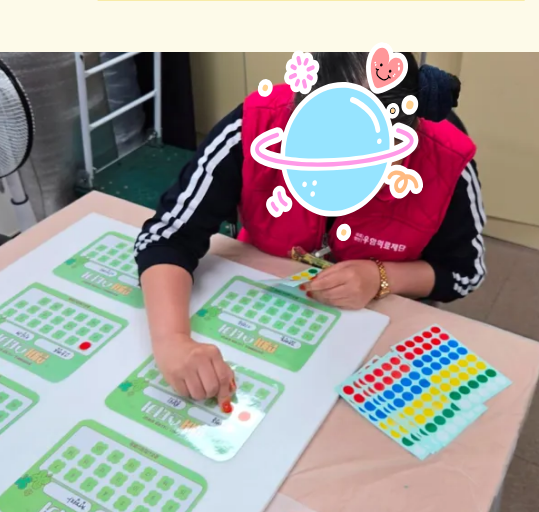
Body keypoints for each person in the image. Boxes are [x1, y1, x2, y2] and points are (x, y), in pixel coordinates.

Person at [134, 52, 487, 402]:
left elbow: (465, 272)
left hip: (377, 331)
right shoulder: (254, 127)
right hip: (268, 308)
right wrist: (172, 340)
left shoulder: (447, 162)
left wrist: (381, 277)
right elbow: (168, 236)